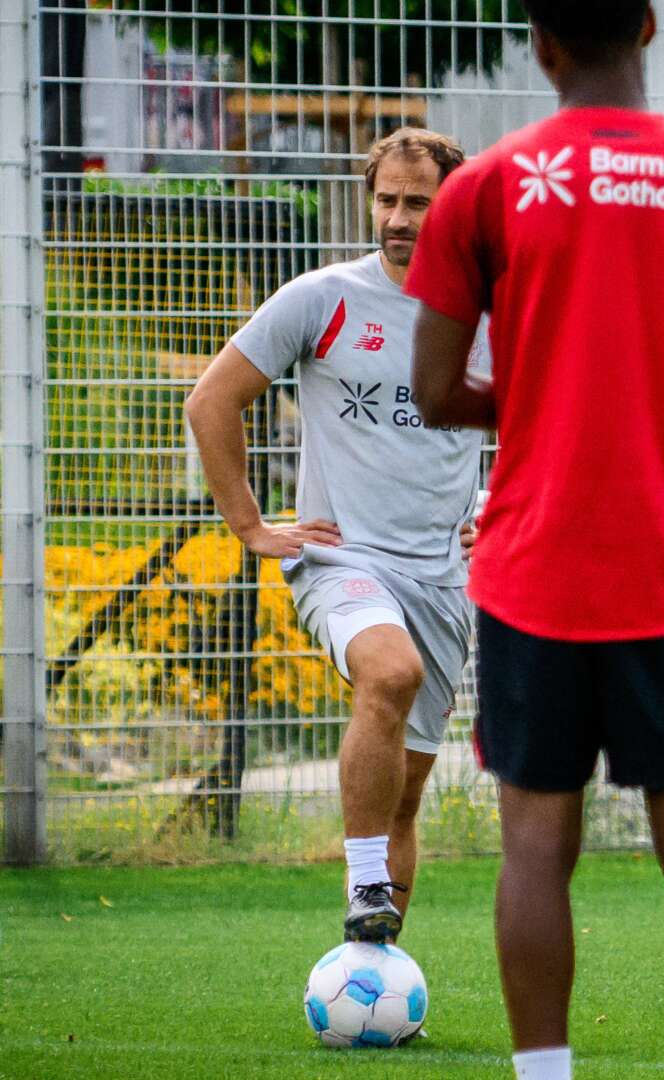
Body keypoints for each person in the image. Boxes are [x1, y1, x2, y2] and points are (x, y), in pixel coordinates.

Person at [403, 2, 664, 1078]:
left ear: (540, 42)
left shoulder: (486, 188)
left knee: (536, 843)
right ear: (650, 26)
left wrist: (548, 402)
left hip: (531, 574)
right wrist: (653, 410)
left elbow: (434, 390)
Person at [186, 128, 482, 946]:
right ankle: (364, 882)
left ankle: (370, 967)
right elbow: (212, 401)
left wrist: (509, 506)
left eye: (418, 202)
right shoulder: (322, 298)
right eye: (386, 199)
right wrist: (249, 525)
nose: (397, 218)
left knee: (405, 801)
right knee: (390, 671)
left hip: (441, 578)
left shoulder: (494, 313)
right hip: (340, 559)